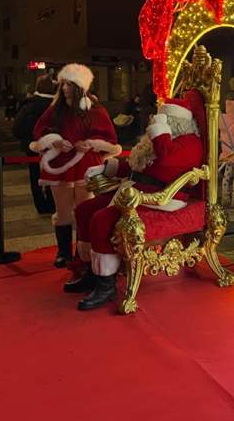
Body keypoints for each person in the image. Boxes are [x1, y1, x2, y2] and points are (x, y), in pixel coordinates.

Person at [68, 90, 205, 310]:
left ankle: (106, 284)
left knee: (102, 219)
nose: (158, 120)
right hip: (133, 190)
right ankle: (91, 271)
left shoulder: (190, 143)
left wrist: (160, 132)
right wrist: (107, 167)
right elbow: (135, 164)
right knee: (85, 209)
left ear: (177, 122)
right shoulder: (158, 139)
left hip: (159, 199)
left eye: (164, 119)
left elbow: (167, 159)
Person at [30, 64, 120, 268]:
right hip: (60, 165)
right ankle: (63, 252)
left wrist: (91, 144)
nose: (64, 88)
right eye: (63, 84)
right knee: (62, 211)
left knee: (84, 210)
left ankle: (83, 252)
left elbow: (109, 139)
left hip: (86, 165)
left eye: (70, 84)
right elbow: (39, 133)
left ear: (80, 86)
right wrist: (53, 141)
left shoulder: (95, 109)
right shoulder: (56, 110)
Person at [12, 75, 56, 215]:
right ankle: (52, 203)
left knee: (35, 176)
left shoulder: (29, 105)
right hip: (54, 147)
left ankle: (41, 206)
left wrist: (27, 139)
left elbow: (17, 128)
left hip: (33, 147)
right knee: (53, 175)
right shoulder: (57, 106)